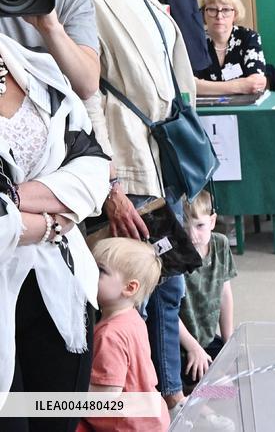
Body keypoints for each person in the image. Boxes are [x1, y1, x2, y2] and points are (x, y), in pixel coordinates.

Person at [61, 0, 197, 415]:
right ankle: (129, 410)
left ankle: (170, 398)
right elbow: (86, 94)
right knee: (128, 302)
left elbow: (167, 70)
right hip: (129, 169)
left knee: (170, 288)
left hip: (165, 160)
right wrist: (110, 183)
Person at [0, 33, 110, 432]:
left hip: (59, 289)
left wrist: (11, 199)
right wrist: (52, 218)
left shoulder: (33, 67)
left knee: (58, 419)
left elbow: (95, 168)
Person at [85, 238, 170, 431]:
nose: (89, 272)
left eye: (100, 271)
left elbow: (106, 396)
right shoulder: (134, 319)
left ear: (130, 287)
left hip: (128, 426)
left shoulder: (110, 335)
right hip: (152, 418)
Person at [178, 191, 236, 388]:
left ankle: (198, 398)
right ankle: (197, 408)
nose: (192, 236)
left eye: (200, 226)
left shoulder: (220, 243)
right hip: (181, 344)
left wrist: (229, 342)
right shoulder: (174, 253)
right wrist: (193, 348)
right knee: (219, 389)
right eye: (184, 228)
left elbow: (224, 293)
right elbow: (166, 310)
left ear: (212, 221)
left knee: (236, 381)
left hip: (207, 338)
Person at [194, 0, 267, 96]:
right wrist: (240, 86)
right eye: (212, 9)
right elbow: (190, 86)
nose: (219, 16)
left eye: (226, 9)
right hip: (204, 110)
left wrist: (206, 87)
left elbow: (255, 83)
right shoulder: (194, 42)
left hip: (244, 109)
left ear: (235, 14)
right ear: (203, 13)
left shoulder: (248, 37)